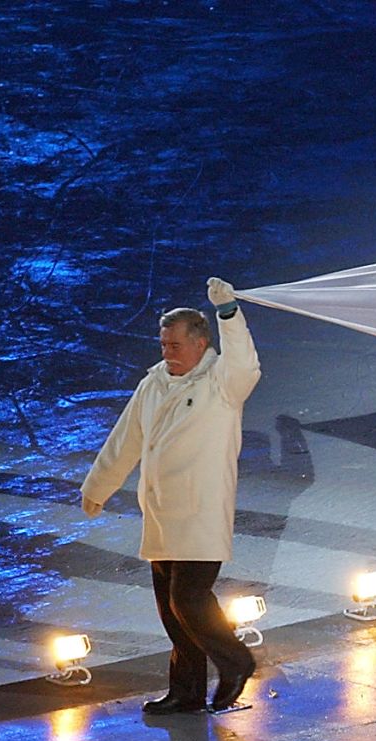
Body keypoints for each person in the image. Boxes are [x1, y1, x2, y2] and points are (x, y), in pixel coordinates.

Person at [81, 278, 260, 714]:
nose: (167, 352)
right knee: (170, 610)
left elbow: (246, 365)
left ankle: (236, 661)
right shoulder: (155, 383)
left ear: (200, 345)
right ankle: (186, 691)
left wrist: (229, 315)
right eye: (163, 344)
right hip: (161, 513)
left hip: (199, 511)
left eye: (175, 345)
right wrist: (98, 486)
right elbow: (125, 439)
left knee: (189, 599)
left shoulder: (221, 384)